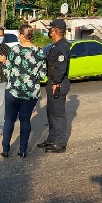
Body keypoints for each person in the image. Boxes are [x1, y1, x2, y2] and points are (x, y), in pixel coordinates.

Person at [0, 24, 46, 158]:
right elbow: (43, 74)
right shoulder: (40, 51)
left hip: (13, 91)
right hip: (31, 93)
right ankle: (23, 150)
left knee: (9, 120)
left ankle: (6, 150)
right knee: (25, 120)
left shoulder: (14, 50)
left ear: (21, 35)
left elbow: (7, 70)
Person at [38, 19, 71, 153]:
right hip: (52, 82)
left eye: (51, 29)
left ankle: (60, 143)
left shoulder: (62, 46)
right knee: (51, 113)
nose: (49, 31)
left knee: (58, 114)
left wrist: (56, 82)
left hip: (58, 83)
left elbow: (61, 67)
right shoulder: (55, 45)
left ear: (55, 31)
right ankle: (52, 139)